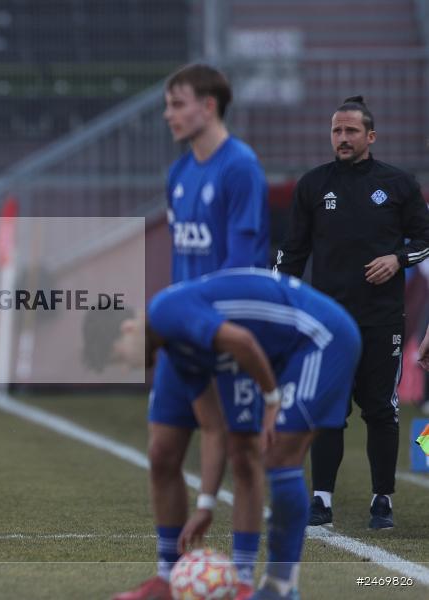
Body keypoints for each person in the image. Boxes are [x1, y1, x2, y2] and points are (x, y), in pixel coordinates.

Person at [98, 268, 361, 600]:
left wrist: (271, 399)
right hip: (298, 346)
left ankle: (280, 589)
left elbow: (243, 341)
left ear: (127, 328)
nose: (128, 368)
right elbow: (212, 428)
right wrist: (205, 505)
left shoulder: (164, 311)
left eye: (119, 357)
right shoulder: (177, 352)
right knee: (278, 454)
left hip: (322, 336)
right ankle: (274, 588)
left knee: (280, 454)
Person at [114, 64, 270, 600]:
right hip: (184, 340)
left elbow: (243, 268)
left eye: (177, 103)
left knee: (246, 457)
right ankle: (166, 575)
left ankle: (245, 582)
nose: (168, 114)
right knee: (161, 453)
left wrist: (206, 326)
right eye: (166, 104)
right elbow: (184, 260)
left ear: (208, 106)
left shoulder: (240, 168)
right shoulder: (179, 173)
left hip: (228, 336)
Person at [275, 96, 429, 529]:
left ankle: (383, 500)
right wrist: (280, 299)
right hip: (328, 323)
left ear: (371, 136)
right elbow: (292, 251)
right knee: (329, 410)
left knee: (381, 410)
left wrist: (398, 259)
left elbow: (424, 239)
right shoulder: (312, 185)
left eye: (351, 131)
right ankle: (321, 498)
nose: (342, 139)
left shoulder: (398, 184)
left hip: (383, 318)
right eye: (336, 131)